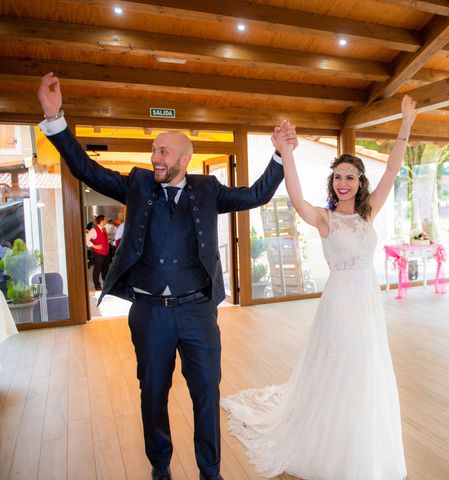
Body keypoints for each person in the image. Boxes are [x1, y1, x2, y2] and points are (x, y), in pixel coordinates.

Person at [37, 72, 293, 480]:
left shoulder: (208, 189)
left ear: (183, 158)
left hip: (198, 315)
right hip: (150, 313)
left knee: (206, 396)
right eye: (153, 150)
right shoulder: (138, 185)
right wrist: (57, 121)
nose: (155, 157)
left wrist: (279, 156)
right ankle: (161, 468)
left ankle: (211, 472)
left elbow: (256, 194)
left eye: (163, 151)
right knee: (153, 396)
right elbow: (87, 170)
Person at [222, 95, 417, 479]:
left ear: (359, 182)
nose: (344, 182)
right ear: (333, 182)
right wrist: (287, 154)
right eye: (338, 177)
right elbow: (295, 197)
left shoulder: (368, 211)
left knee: (365, 368)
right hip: (340, 305)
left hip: (368, 305)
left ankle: (360, 442)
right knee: (343, 364)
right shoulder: (326, 219)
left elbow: (393, 168)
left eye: (350, 177)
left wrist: (406, 123)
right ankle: (329, 442)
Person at [85, 214, 110, 290]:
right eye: (105, 219)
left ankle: (105, 283)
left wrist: (108, 241)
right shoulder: (93, 230)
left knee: (105, 269)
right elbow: (86, 239)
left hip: (106, 253)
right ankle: (97, 285)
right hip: (98, 253)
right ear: (102, 221)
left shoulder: (104, 229)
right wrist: (94, 246)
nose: (106, 221)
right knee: (97, 269)